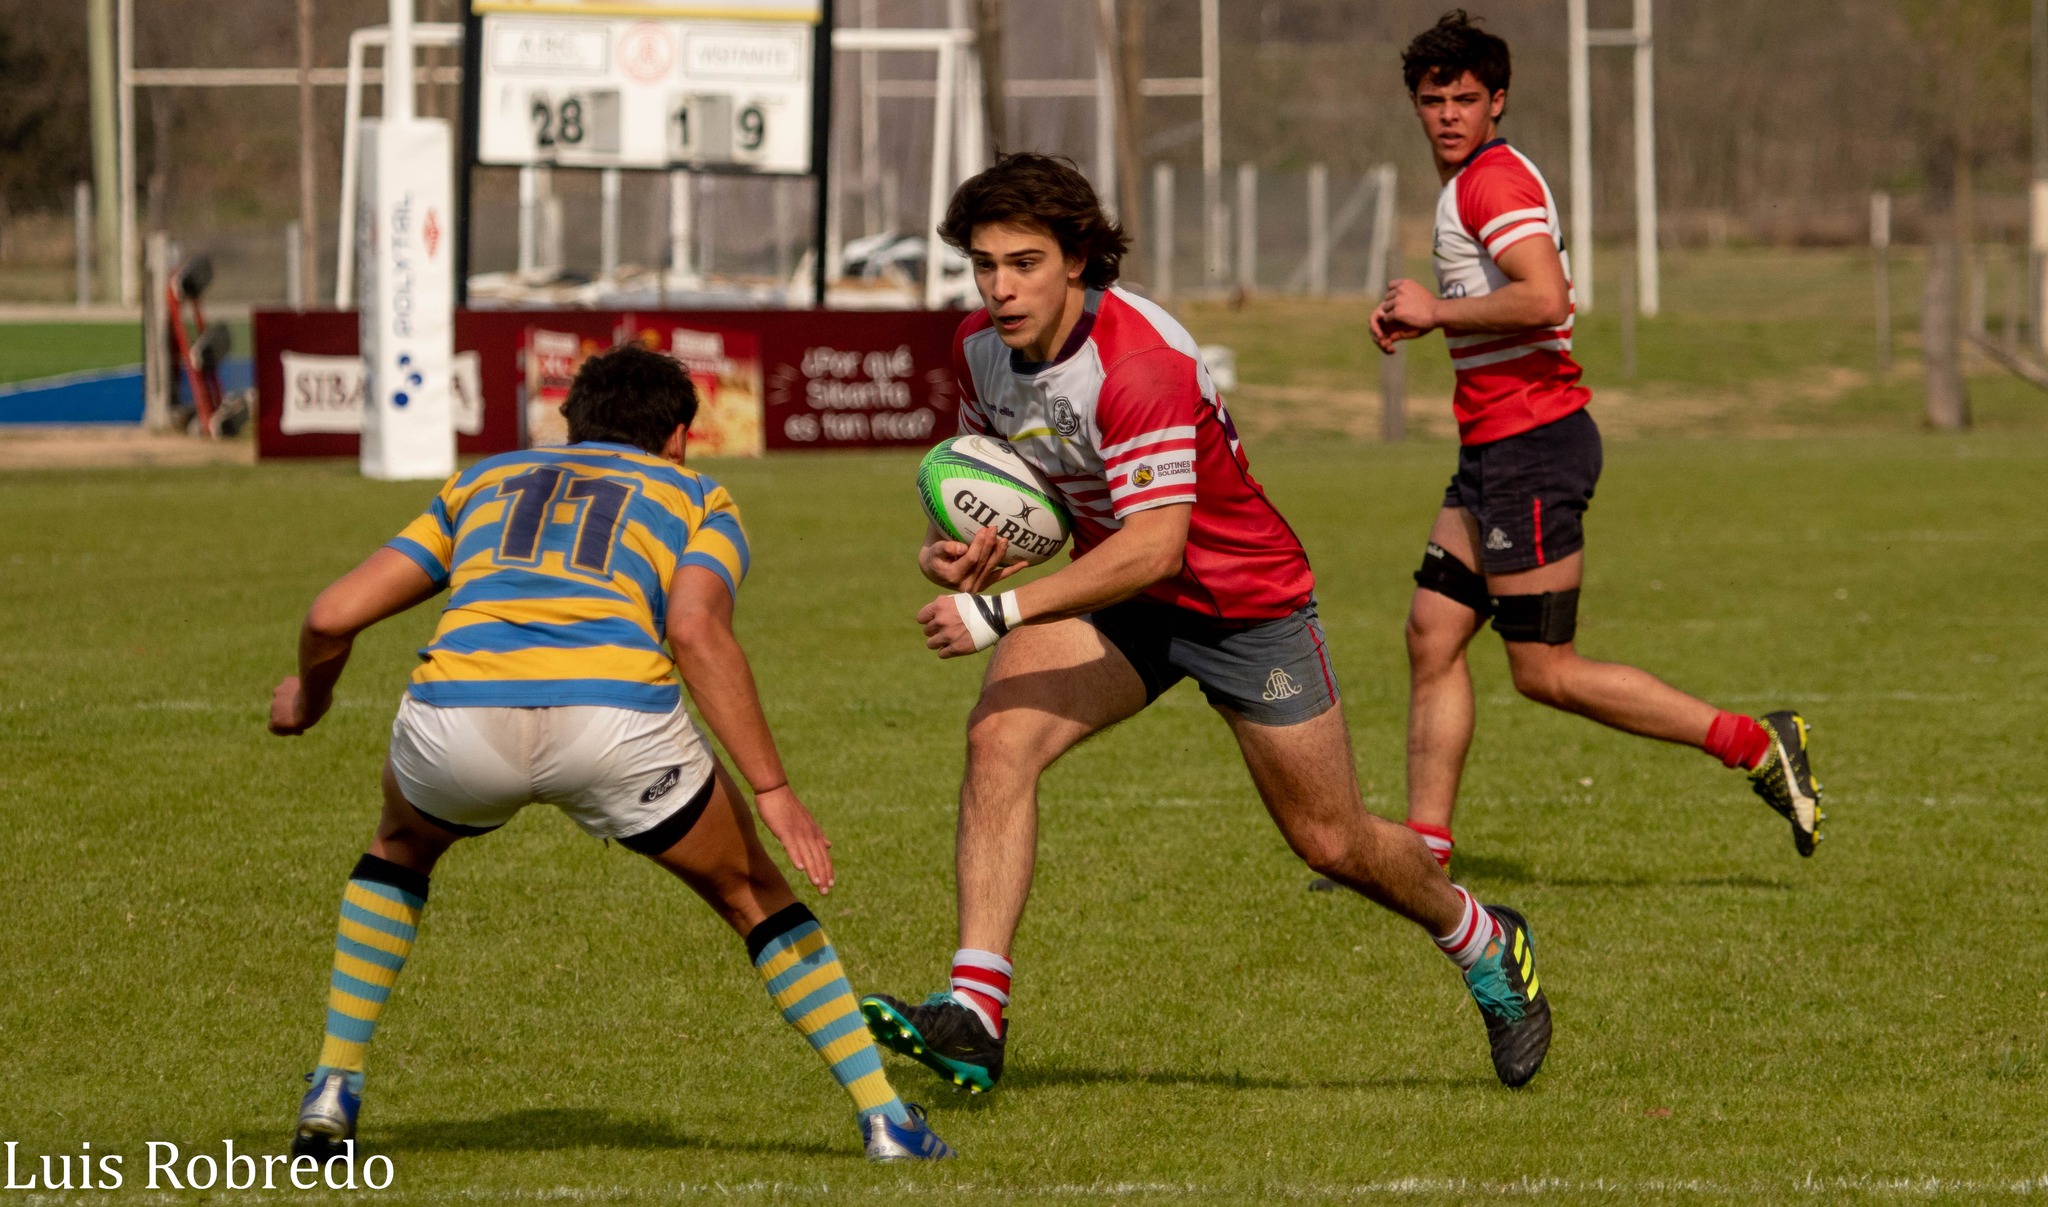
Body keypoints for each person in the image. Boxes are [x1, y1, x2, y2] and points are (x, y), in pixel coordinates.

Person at [858, 151, 1551, 1095]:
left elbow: (1160, 548)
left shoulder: (1138, 359)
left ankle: (1481, 937)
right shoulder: (981, 349)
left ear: (1077, 259)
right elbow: (1034, 501)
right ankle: (975, 1009)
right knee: (1001, 733)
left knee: (1333, 842)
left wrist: (1000, 609)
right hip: (1125, 601)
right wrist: (965, 555)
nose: (999, 287)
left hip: (1242, 604)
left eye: (1023, 262)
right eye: (984, 264)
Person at [268, 345, 951, 1163]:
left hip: (459, 723)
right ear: (678, 438)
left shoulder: (484, 480)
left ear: (568, 424)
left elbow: (331, 613)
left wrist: (311, 696)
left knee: (400, 850)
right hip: (615, 723)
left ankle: (334, 1085)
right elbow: (695, 630)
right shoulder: (699, 496)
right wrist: (773, 789)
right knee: (751, 892)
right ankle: (885, 1120)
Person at [1369, 11, 1824, 872]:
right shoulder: (1470, 183)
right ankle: (1422, 853)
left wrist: (1435, 309)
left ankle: (1755, 743)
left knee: (1546, 670)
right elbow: (1508, 307)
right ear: (1416, 104)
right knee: (1433, 633)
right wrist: (1429, 317)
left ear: (1497, 102)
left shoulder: (1488, 184)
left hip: (1533, 446)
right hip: (1494, 448)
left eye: (1467, 98)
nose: (1449, 114)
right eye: (1434, 100)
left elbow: (1544, 298)